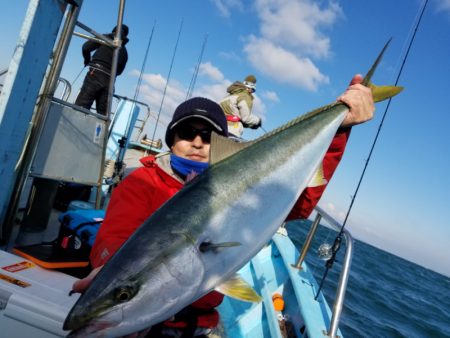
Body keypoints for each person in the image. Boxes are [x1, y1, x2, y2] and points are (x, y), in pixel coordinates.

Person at [72, 74, 375, 337]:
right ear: (171, 140)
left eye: (208, 136)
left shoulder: (245, 183)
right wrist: (106, 267)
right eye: (186, 133)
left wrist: (340, 128)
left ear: (220, 144)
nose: (197, 142)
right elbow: (116, 237)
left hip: (201, 325)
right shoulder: (143, 181)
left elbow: (301, 205)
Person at [74, 25, 129, 116]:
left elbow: (86, 48)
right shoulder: (124, 52)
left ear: (113, 30)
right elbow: (119, 72)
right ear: (126, 36)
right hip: (110, 82)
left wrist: (87, 59)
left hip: (95, 75)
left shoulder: (105, 38)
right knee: (103, 115)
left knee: (81, 107)